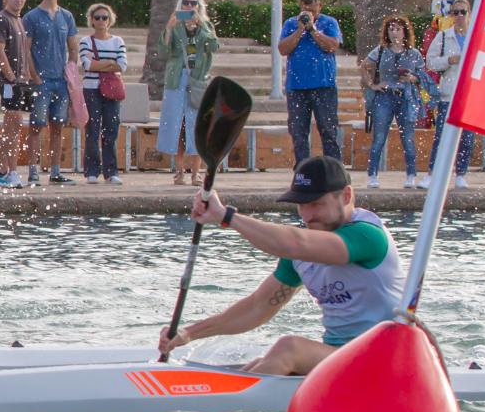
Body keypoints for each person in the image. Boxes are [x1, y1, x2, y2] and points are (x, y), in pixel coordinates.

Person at [158, 156, 402, 376]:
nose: (306, 216)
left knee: (289, 349)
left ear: (347, 196)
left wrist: (226, 216)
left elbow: (296, 243)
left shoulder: (368, 237)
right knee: (260, 364)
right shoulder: (300, 252)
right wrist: (187, 333)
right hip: (339, 356)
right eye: (301, 204)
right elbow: (256, 307)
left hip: (386, 363)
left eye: (316, 203)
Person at [21, 0, 80, 185]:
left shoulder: (67, 17)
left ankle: (55, 171)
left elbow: (73, 48)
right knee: (36, 126)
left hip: (61, 81)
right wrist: (34, 76)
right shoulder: (32, 17)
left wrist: (71, 72)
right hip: (41, 81)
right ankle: (33, 172)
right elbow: (25, 50)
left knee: (58, 127)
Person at [157, 0, 219, 186]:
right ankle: (179, 172)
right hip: (177, 79)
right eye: (186, 3)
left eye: (194, 3)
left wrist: (201, 28)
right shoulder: (175, 26)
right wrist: (168, 28)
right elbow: (164, 52)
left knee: (197, 126)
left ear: (199, 6)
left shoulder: (206, 26)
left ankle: (196, 173)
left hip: (197, 79)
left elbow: (214, 47)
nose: (190, 6)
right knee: (177, 126)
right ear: (181, 5)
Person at [360, 14, 426, 190]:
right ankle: (372, 174)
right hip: (385, 95)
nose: (394, 32)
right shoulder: (380, 50)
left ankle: (411, 175)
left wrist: (412, 77)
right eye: (391, 29)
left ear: (405, 32)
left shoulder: (413, 53)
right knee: (379, 137)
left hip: (405, 96)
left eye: (397, 29)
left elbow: (422, 76)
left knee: (408, 138)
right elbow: (364, 65)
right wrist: (372, 84)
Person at [278, 0, 344, 163]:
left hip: (324, 86)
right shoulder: (291, 24)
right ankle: (302, 170)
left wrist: (313, 29)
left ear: (319, 5)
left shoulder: (329, 22)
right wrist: (300, 30)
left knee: (328, 130)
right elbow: (283, 49)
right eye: (305, 4)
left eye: (312, 4)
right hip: (297, 88)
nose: (308, 8)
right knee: (298, 132)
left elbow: (331, 46)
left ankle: (333, 168)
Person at [421, 0, 476, 190]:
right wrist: (448, 60)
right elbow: (430, 61)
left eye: (463, 12)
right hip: (449, 94)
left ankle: (461, 174)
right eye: (456, 12)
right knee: (442, 136)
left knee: (467, 138)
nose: (459, 16)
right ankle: (431, 173)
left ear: (469, 13)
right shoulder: (444, 36)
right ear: (451, 15)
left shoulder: (476, 37)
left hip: (469, 95)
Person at [0, 0, 34, 187]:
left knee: (13, 127)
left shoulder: (20, 20)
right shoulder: (1, 19)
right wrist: (11, 78)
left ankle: (3, 171)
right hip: (10, 83)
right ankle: (11, 172)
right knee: (12, 125)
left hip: (21, 81)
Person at [78, 2, 128, 185]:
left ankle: (111, 171)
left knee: (111, 130)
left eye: (104, 17)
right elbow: (87, 65)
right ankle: (92, 171)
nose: (101, 20)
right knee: (92, 129)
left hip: (111, 90)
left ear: (110, 20)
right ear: (91, 20)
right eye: (97, 17)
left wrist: (99, 63)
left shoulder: (118, 41)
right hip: (91, 89)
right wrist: (109, 63)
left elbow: (122, 65)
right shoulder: (86, 41)